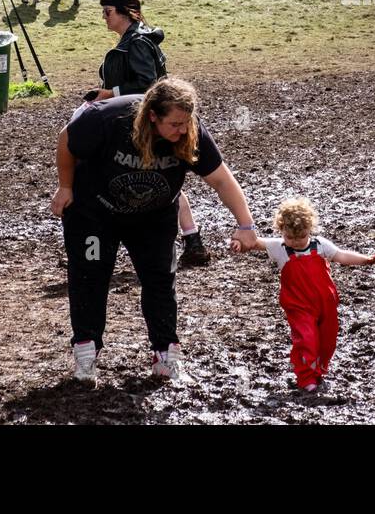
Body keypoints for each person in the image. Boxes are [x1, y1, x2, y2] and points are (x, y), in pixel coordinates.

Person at [51, 77, 259, 385]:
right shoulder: (108, 118)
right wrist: (65, 187)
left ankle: (165, 355)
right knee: (89, 276)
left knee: (160, 279)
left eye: (187, 122)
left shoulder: (190, 133)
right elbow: (67, 140)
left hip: (153, 217)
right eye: (175, 124)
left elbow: (221, 180)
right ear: (152, 116)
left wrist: (246, 225)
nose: (183, 130)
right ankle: (86, 354)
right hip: (94, 215)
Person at [92, 0, 207, 267]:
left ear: (124, 13)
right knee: (163, 181)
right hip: (147, 120)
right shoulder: (135, 40)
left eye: (108, 12)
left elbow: (148, 85)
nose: (104, 18)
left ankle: (110, 243)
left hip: (145, 123)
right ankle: (192, 240)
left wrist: (111, 94)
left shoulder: (137, 43)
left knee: (155, 182)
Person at [240, 197, 375, 392]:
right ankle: (306, 377)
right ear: (281, 230)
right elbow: (254, 242)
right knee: (306, 339)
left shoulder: (320, 245)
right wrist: (239, 243)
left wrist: (366, 260)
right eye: (289, 237)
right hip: (298, 305)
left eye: (300, 237)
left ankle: (318, 371)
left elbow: (341, 256)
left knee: (327, 341)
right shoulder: (279, 247)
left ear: (309, 229)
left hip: (325, 303)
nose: (295, 242)